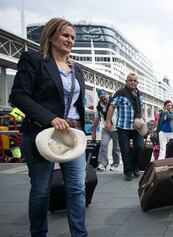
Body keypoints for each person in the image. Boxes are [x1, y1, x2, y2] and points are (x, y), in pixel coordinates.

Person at [9, 18, 87, 236]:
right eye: (65, 35)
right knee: (41, 192)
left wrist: (84, 130)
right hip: (41, 134)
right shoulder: (33, 60)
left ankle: (80, 234)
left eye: (72, 37)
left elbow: (76, 105)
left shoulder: (76, 70)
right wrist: (50, 118)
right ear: (51, 36)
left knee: (77, 190)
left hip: (72, 135)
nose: (70, 40)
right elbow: (18, 95)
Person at [105, 72, 144, 181]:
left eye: (135, 80)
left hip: (137, 127)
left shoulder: (140, 94)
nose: (132, 82)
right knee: (125, 149)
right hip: (123, 127)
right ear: (126, 81)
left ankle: (135, 166)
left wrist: (142, 120)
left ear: (137, 82)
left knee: (140, 147)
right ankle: (128, 171)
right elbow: (112, 107)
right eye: (130, 80)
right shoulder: (120, 93)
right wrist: (108, 121)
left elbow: (140, 109)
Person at [92, 89, 121, 171]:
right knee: (103, 145)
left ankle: (115, 164)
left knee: (116, 148)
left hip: (116, 129)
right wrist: (93, 131)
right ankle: (102, 164)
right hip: (106, 130)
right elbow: (96, 119)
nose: (103, 99)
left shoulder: (115, 103)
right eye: (101, 98)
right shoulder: (98, 107)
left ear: (108, 95)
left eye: (104, 97)